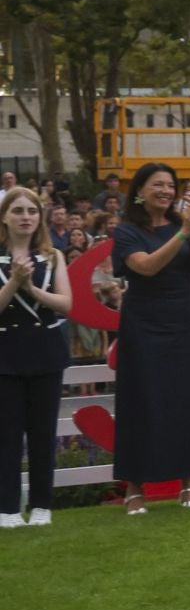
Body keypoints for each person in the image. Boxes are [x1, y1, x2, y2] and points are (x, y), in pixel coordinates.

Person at [111, 163, 190, 514]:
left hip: (180, 321)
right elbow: (147, 266)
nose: (166, 191)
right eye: (158, 185)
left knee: (183, 399)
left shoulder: (182, 224)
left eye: (171, 185)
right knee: (140, 400)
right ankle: (134, 487)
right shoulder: (126, 231)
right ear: (140, 190)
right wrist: (183, 233)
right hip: (142, 323)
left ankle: (187, 483)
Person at [0, 187, 73, 528]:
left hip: (45, 351)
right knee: (7, 435)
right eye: (17, 210)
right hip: (5, 353)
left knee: (43, 434)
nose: (25, 217)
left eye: (31, 211)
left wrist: (30, 288)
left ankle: (42, 504)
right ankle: (8, 508)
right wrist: (14, 282)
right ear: (4, 216)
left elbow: (66, 303)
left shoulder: (52, 256)